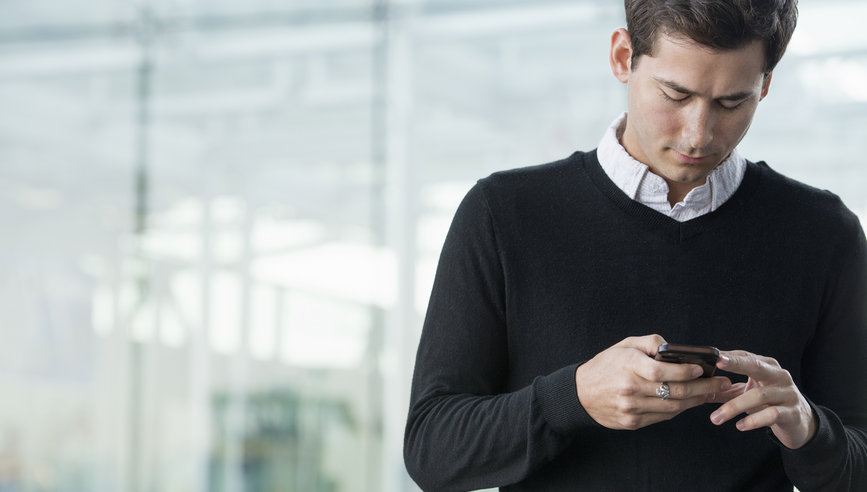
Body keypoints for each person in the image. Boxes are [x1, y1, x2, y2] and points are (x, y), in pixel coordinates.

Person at [403, 0, 867, 490]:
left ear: (766, 85)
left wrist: (811, 431)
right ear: (623, 57)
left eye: (732, 102)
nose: (699, 133)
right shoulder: (501, 214)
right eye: (675, 94)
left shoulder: (824, 233)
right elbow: (432, 448)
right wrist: (573, 398)